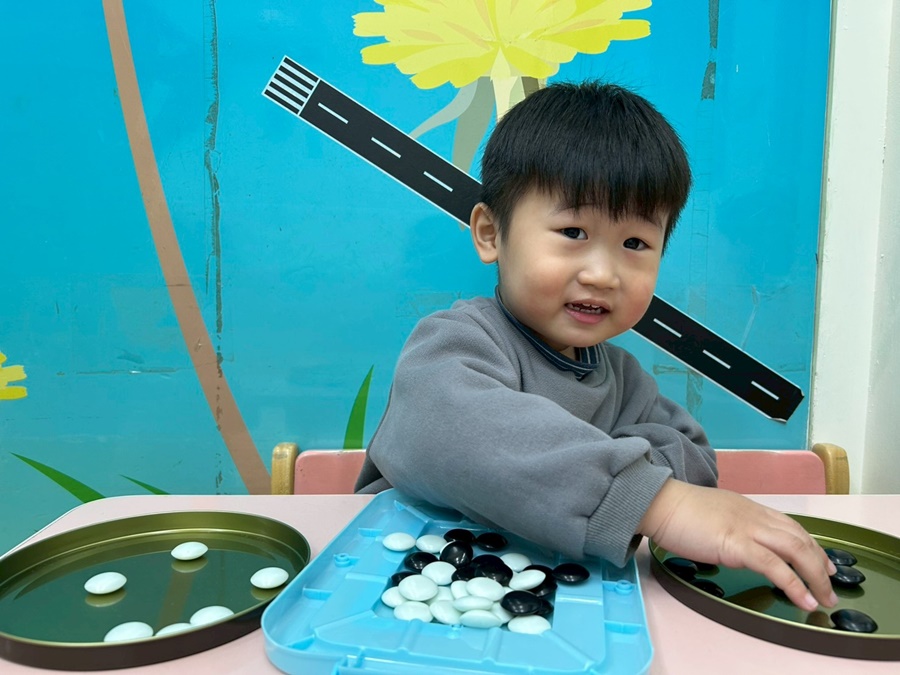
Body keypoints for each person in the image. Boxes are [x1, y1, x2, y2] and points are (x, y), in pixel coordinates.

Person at [355, 80, 837, 612]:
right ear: (491, 233)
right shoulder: (456, 341)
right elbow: (448, 431)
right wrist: (657, 504)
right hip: (397, 589)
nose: (603, 273)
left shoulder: (624, 378)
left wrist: (635, 489)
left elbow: (694, 458)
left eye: (635, 243)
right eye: (573, 232)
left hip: (548, 602)